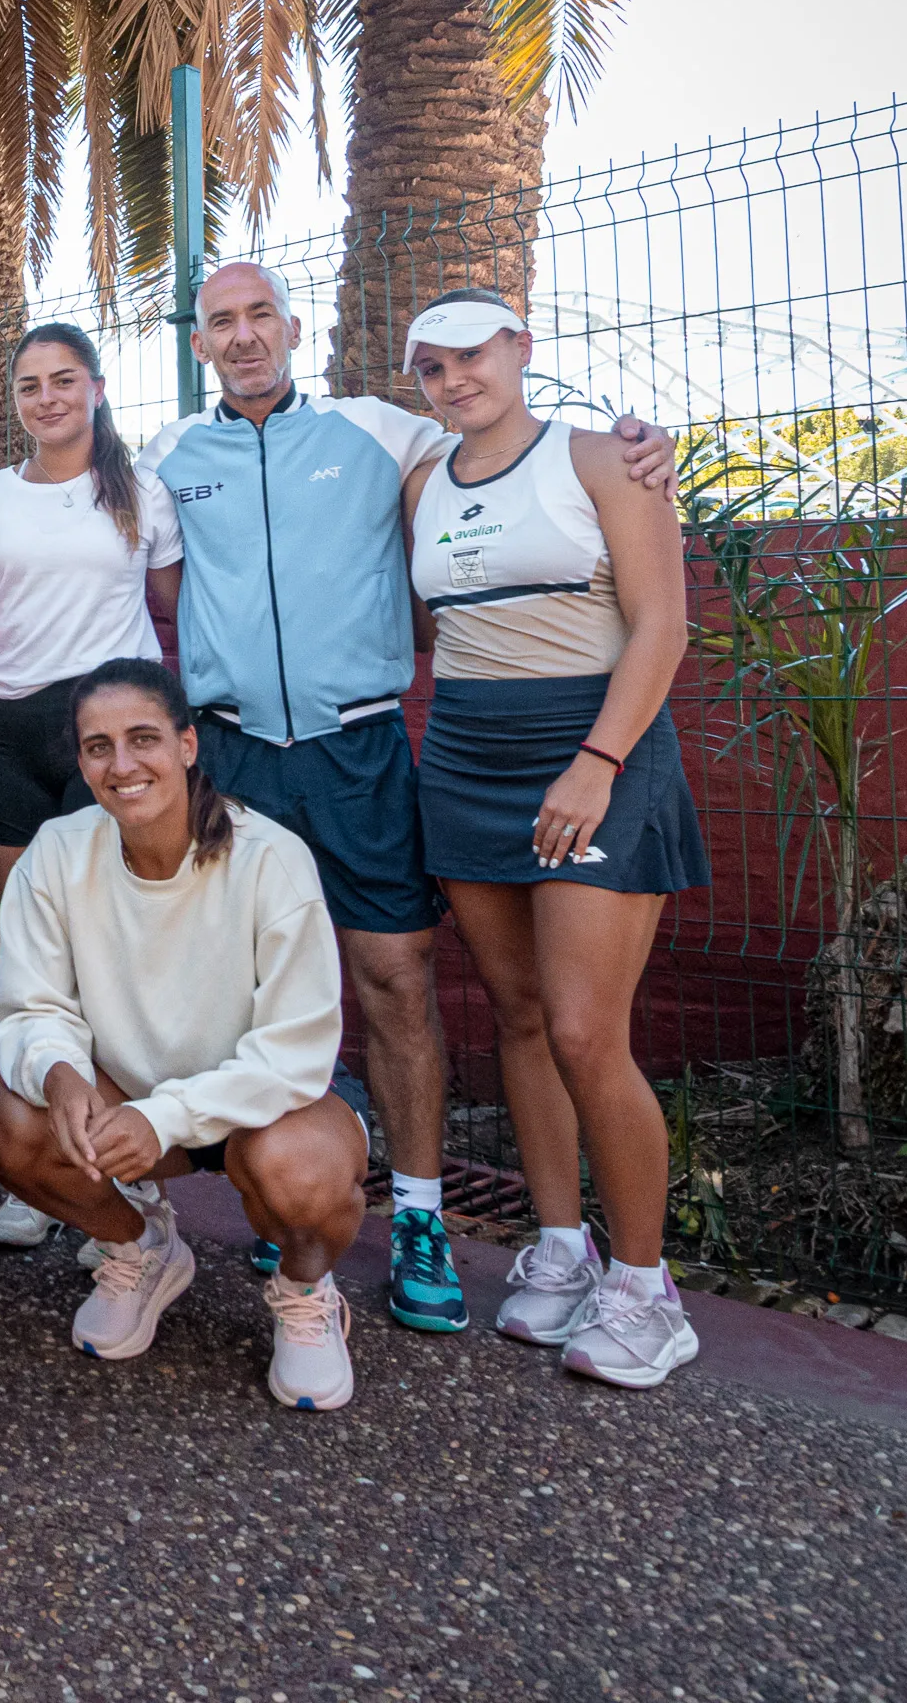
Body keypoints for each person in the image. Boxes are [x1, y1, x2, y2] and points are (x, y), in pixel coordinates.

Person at [128, 261, 676, 1331]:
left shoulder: (386, 432)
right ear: (199, 343)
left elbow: (507, 469)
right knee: (247, 994)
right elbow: (146, 570)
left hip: (360, 751)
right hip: (234, 760)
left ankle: (419, 1215)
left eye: (259, 317)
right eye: (219, 322)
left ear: (291, 327)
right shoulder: (169, 455)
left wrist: (637, 449)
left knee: (392, 979)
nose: (242, 337)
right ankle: (280, 1206)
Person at [399, 288, 708, 1389]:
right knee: (520, 1017)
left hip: (595, 757)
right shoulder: (423, 478)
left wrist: (598, 760)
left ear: (519, 348)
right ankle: (564, 1246)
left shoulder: (603, 459)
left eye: (471, 355)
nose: (453, 380)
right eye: (431, 368)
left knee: (585, 1028)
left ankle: (644, 1286)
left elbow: (663, 624)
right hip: (470, 761)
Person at [0, 659, 371, 1411]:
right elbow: (30, 1005)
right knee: (13, 1124)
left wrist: (163, 1118)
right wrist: (59, 1069)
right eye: (98, 747)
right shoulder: (58, 854)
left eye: (143, 739)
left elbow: (295, 1050)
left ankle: (304, 1291)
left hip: (269, 1104)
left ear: (188, 745)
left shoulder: (270, 860)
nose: (122, 765)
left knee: (301, 1173)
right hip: (131, 1091)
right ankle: (140, 1246)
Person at [0, 324, 179, 913]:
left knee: (107, 925)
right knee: (21, 925)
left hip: (111, 730)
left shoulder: (143, 491)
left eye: (63, 381)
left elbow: (187, 615)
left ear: (97, 388)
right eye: (29, 387)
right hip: (11, 734)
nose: (48, 399)